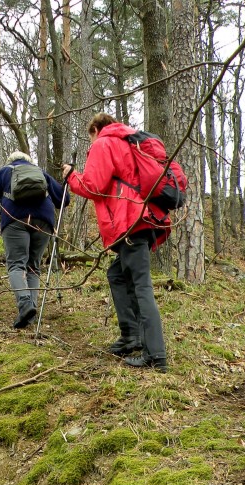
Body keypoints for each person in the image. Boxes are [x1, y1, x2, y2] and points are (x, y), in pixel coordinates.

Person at [62, 112, 170, 372]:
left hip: (128, 222)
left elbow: (94, 186)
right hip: (139, 219)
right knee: (117, 274)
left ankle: (156, 355)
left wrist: (71, 176)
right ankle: (131, 335)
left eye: (90, 137)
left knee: (142, 286)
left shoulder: (104, 143)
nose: (91, 143)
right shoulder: (128, 142)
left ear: (97, 129)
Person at [0, 151, 69, 328]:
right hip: (44, 221)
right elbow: (63, 199)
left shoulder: (4, 172)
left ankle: (25, 304)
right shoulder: (40, 172)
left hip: (15, 219)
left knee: (16, 264)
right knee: (33, 266)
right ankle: (31, 312)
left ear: (10, 161)